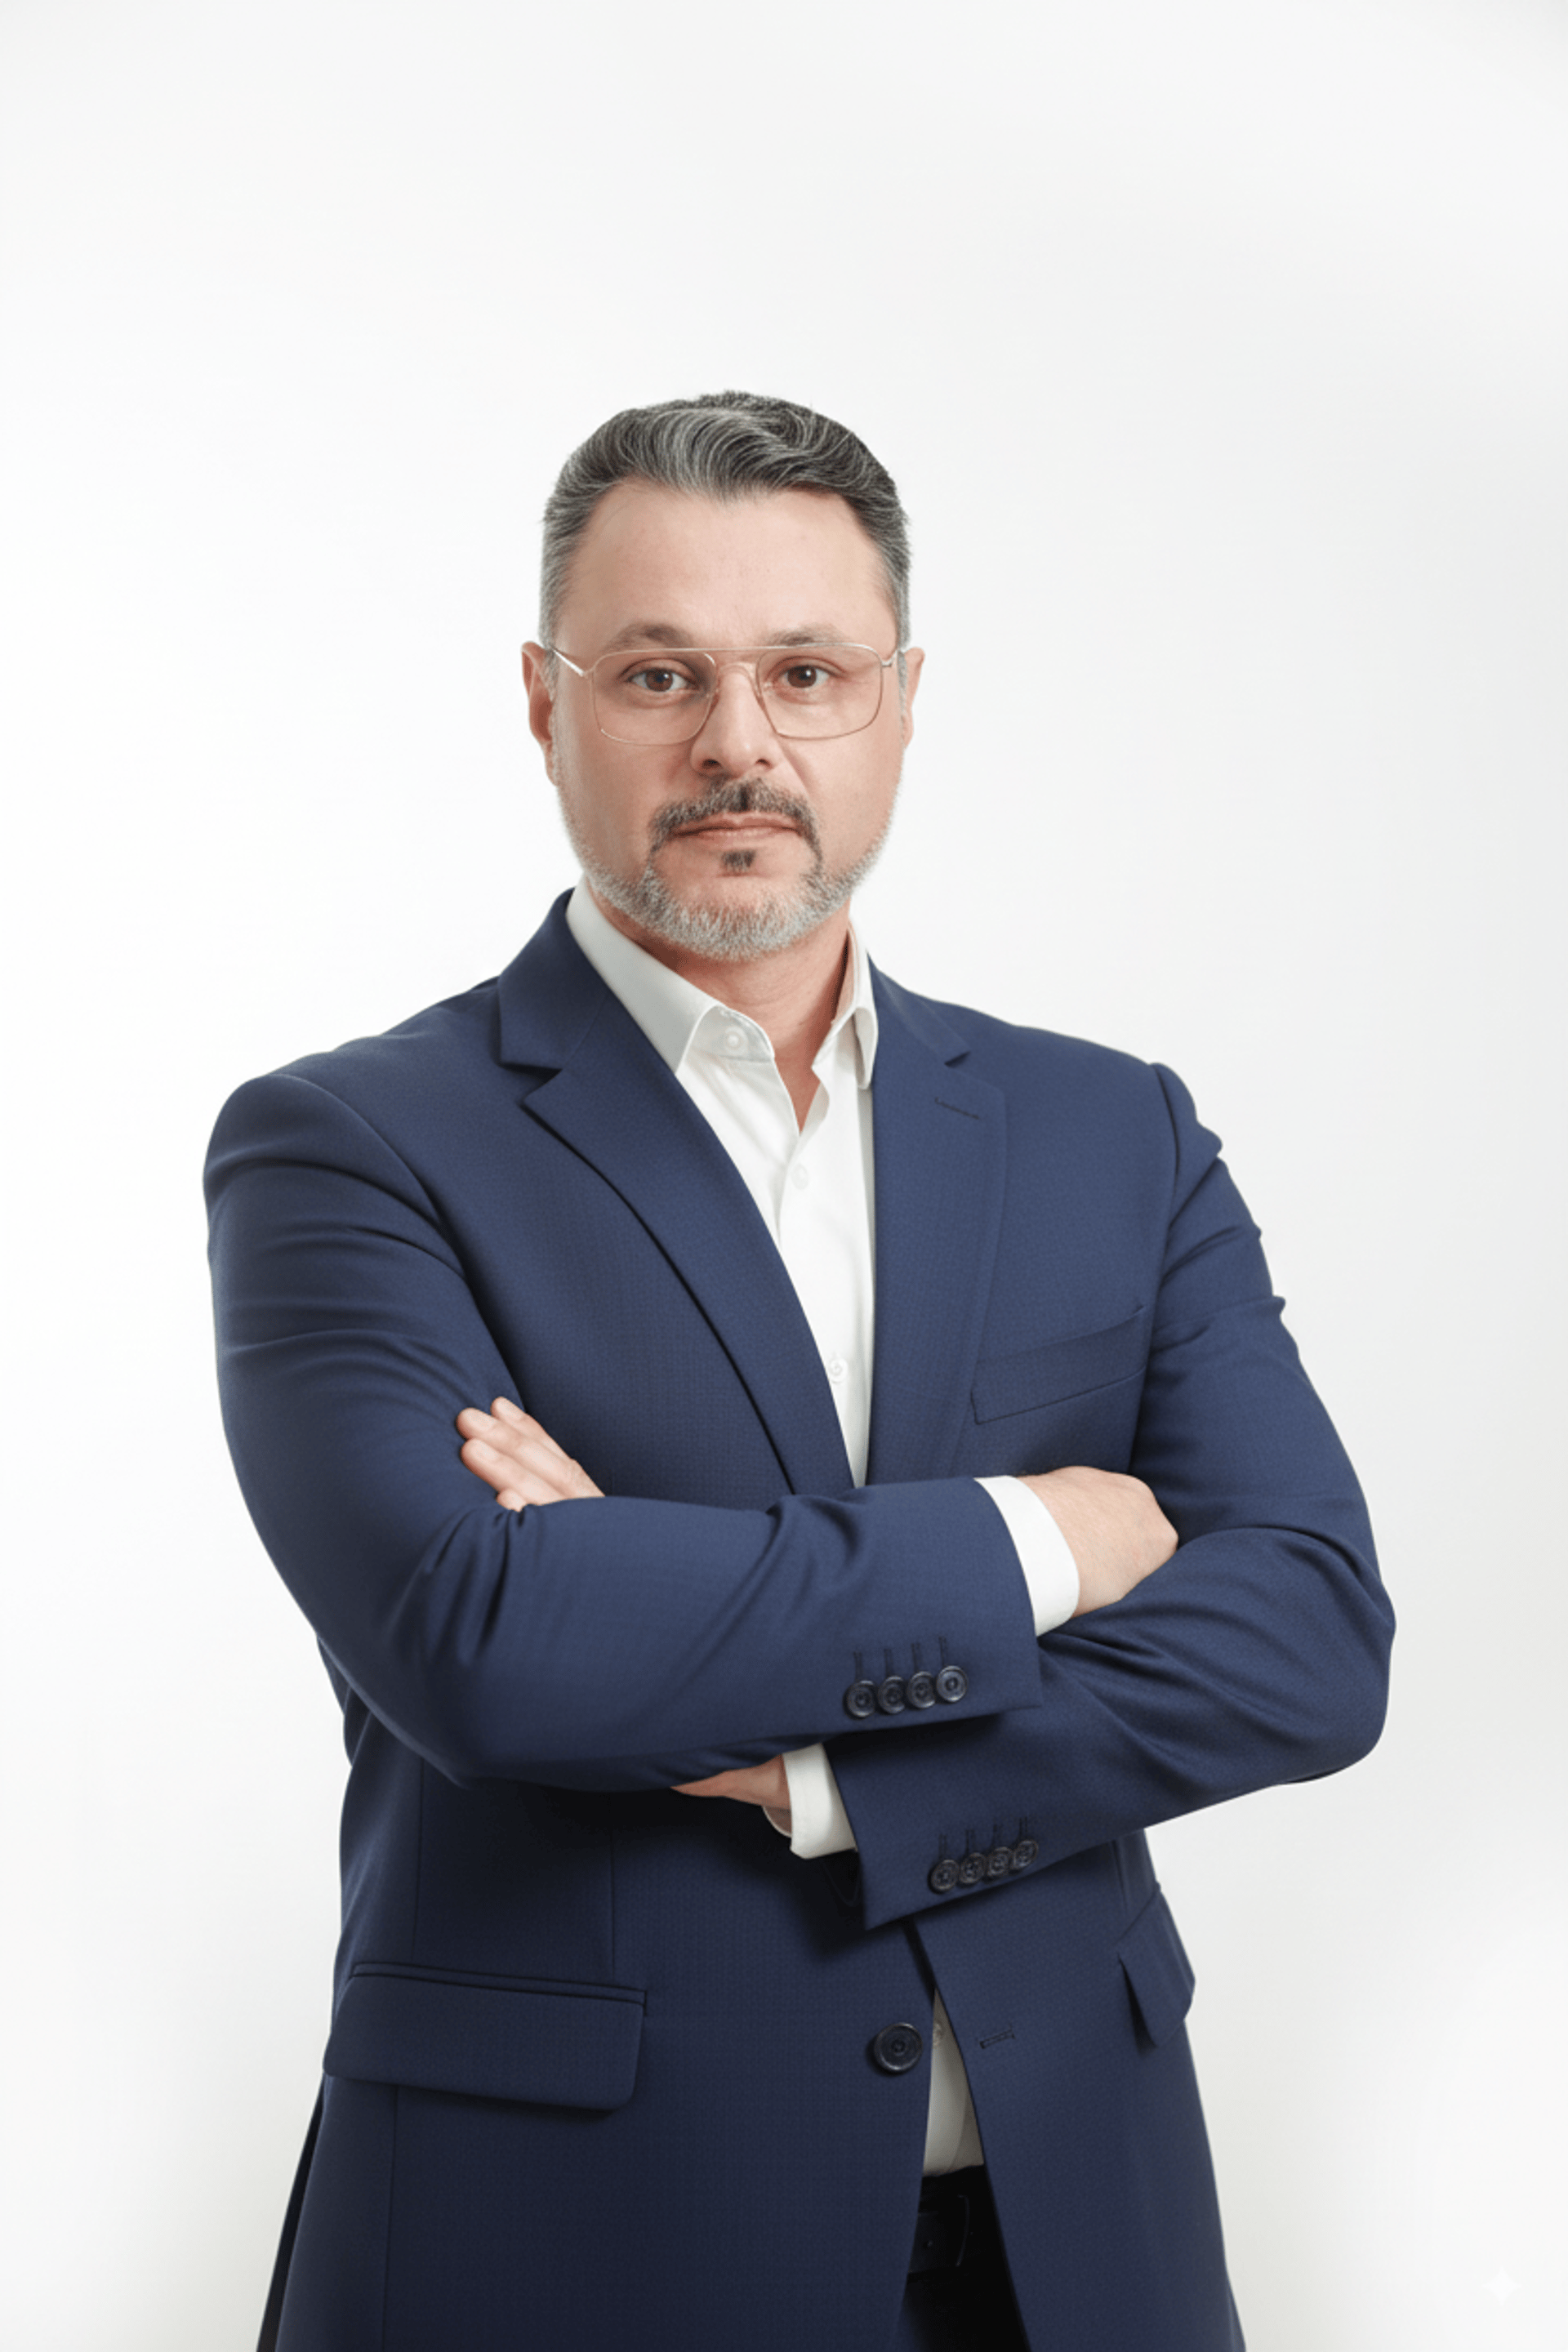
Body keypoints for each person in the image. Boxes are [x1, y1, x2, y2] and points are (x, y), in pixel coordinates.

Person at [206, 390, 1392, 2352]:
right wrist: (1050, 1537)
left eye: (807, 672)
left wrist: (824, 1762)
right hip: (572, 2245)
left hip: (1078, 2239)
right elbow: (489, 1639)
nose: (738, 741)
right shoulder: (350, 1145)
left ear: (901, 703)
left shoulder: (1116, 1132)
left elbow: (1310, 1634)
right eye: (661, 671)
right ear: (543, 701)